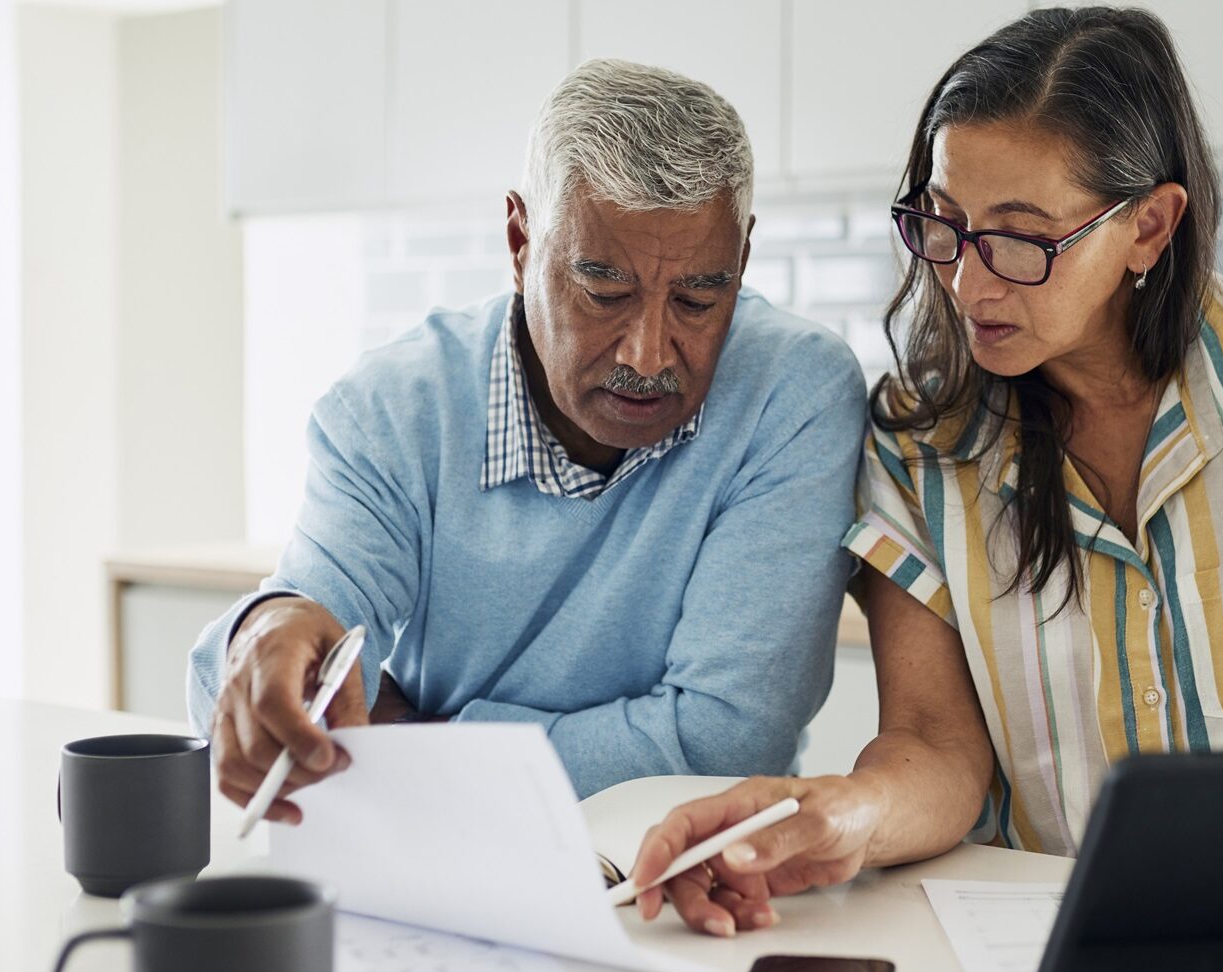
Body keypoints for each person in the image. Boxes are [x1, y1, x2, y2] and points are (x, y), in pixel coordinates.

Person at [627, 5, 1223, 939]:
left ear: (1150, 229)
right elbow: (935, 745)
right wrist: (841, 815)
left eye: (1019, 238)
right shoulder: (918, 443)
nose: (968, 283)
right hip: (1039, 941)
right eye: (945, 224)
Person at [187, 59, 866, 823]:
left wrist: (415, 739)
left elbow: (722, 745)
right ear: (519, 240)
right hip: (426, 853)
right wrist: (268, 629)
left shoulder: (793, 393)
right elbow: (305, 640)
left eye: (699, 299)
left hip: (692, 868)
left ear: (741, 259)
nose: (648, 354)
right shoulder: (393, 409)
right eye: (604, 292)